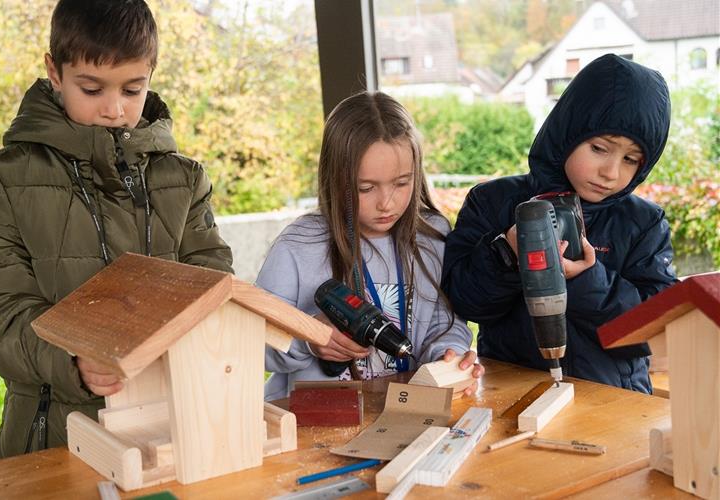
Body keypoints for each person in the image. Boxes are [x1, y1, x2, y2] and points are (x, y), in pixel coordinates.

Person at [0, 0, 233, 459]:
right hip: (54, 436)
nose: (114, 109)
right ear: (55, 72)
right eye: (92, 88)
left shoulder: (184, 179)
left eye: (133, 89)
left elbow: (211, 286)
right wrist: (71, 360)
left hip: (174, 431)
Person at [442, 54, 676, 393]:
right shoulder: (493, 202)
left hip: (612, 401)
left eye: (630, 159)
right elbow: (464, 302)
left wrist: (585, 280)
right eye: (599, 148)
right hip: (511, 394)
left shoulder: (643, 223)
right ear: (567, 132)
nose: (611, 172)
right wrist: (506, 255)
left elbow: (652, 329)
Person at [257, 91, 482, 401]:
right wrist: (309, 338)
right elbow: (256, 343)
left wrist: (451, 356)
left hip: (405, 411)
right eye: (366, 188)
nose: (386, 203)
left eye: (402, 183)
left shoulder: (433, 236)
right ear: (336, 179)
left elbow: (445, 323)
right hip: (315, 423)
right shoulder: (298, 246)